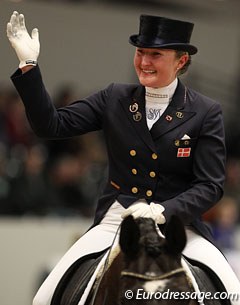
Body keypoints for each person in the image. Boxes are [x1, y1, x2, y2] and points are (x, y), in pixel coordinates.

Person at [7, 11, 240, 305]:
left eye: (155, 54)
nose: (144, 61)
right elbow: (50, 125)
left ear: (181, 61)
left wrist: (163, 211)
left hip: (180, 226)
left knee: (234, 294)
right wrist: (29, 66)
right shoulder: (115, 98)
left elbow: (210, 185)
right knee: (43, 299)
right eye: (141, 52)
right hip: (117, 220)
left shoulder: (206, 112)